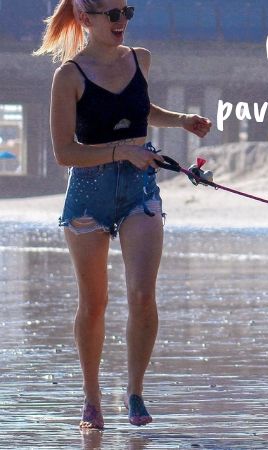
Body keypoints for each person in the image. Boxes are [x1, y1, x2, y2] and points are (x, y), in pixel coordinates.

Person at [34, 0, 212, 430]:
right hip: (88, 194)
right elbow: (63, 152)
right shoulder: (68, 76)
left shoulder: (140, 59)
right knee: (95, 304)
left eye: (126, 12)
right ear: (85, 18)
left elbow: (141, 110)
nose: (121, 22)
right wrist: (121, 151)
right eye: (111, 14)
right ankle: (92, 399)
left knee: (141, 295)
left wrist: (182, 120)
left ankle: (134, 392)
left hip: (140, 190)